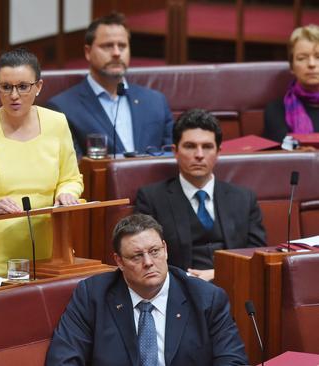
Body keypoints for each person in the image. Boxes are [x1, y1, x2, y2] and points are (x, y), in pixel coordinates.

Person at [0, 48, 83, 276]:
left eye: (23, 86)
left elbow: (71, 178)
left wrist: (67, 193)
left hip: (50, 250)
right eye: (6, 87)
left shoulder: (57, 122)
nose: (14, 95)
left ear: (38, 87)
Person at [45, 213, 248, 365]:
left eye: (154, 251)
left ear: (165, 250)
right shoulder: (93, 295)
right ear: (119, 261)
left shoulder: (206, 298)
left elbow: (232, 361)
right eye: (136, 256)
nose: (149, 262)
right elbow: (62, 360)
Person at [135, 109, 267, 282]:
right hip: (178, 291)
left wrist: (220, 273)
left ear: (218, 152)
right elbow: (146, 256)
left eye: (207, 147)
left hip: (236, 286)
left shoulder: (244, 198)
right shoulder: (152, 198)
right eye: (190, 146)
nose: (199, 155)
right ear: (175, 151)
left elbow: (257, 255)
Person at [46, 12, 173, 158]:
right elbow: (73, 170)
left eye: (122, 46)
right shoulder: (62, 109)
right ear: (88, 52)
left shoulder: (156, 101)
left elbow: (171, 157)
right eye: (107, 46)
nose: (117, 53)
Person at [264, 24, 319, 143]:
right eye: (302, 58)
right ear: (292, 66)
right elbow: (281, 146)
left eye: (318, 57)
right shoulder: (276, 110)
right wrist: (303, 150)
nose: (311, 64)